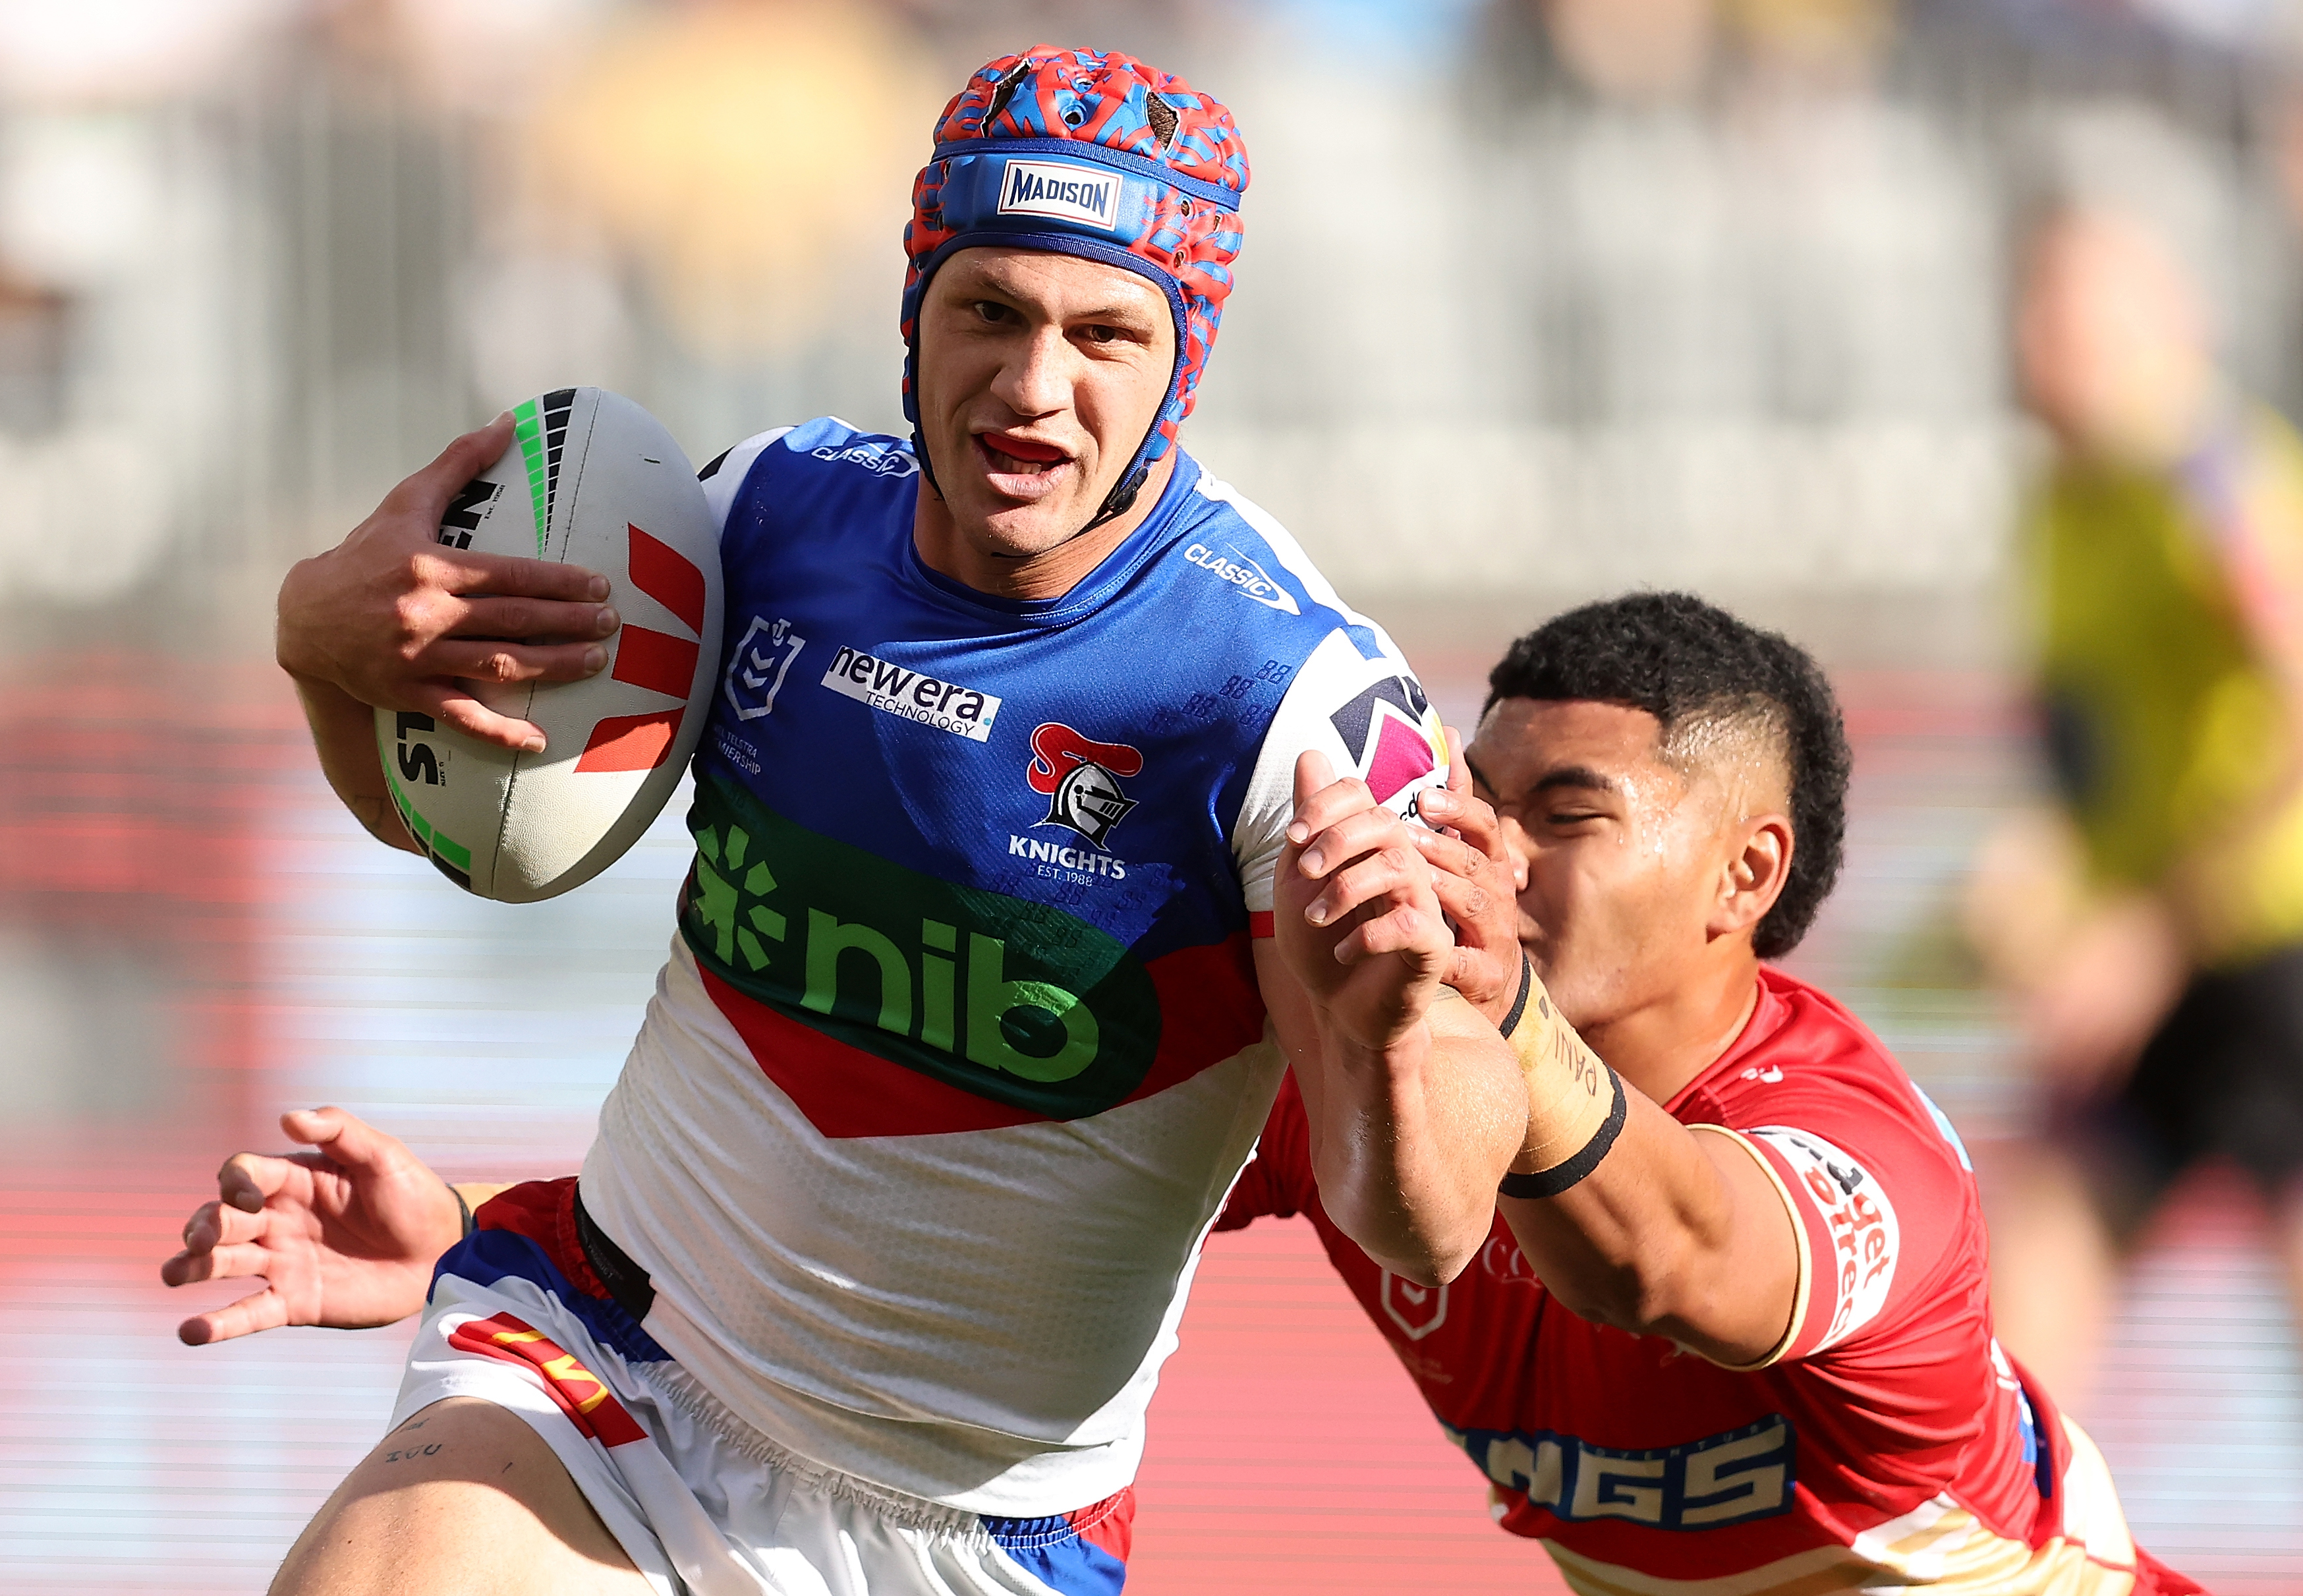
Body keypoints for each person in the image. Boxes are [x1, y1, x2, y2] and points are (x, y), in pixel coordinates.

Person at [162, 46, 1524, 1596]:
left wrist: (1391, 1036)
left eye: (1103, 333)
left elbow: (1425, 1226)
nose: (1032, 385)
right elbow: (468, 836)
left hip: (975, 1528)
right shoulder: (756, 516)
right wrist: (324, 653)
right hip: (605, 1357)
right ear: (912, 308)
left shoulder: (1294, 704)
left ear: (1181, 360)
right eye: (988, 310)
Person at [1247, 592, 2203, 1592]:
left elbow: (1663, 1264)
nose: (1500, 856)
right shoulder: (1375, 1061)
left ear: (1745, 874)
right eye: (1479, 804)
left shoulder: (1864, 1148)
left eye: (1568, 817)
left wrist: (1509, 1010)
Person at [1967, 203, 2303, 1468]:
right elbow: (2093, 750)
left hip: (2274, 944)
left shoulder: (2214, 480)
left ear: (2169, 320)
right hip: (2143, 966)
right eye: (2036, 309)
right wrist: (2041, 869)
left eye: (2081, 309)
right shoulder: (2058, 507)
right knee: (2019, 1337)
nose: (2048, 339)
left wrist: (2150, 927)